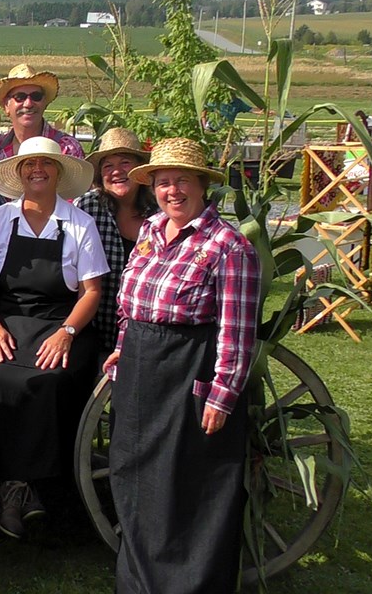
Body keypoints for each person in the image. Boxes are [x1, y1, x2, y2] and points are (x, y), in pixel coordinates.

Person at [105, 138, 261, 594]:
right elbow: (128, 305)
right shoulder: (151, 231)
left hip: (190, 371)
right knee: (133, 475)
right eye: (163, 182)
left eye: (181, 182)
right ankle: (137, 582)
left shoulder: (228, 246)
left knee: (186, 480)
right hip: (139, 369)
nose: (172, 191)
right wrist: (122, 345)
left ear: (202, 187)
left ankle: (188, 583)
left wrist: (223, 394)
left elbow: (237, 330)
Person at [0, 136, 107, 540]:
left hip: (62, 320)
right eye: (30, 164)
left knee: (51, 379)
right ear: (18, 172)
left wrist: (67, 333)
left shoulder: (79, 223)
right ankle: (8, 483)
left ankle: (46, 483)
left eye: (46, 165)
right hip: (7, 318)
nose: (37, 171)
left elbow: (93, 292)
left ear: (59, 172)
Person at [74, 127, 156, 359]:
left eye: (125, 163)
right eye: (108, 166)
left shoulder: (160, 214)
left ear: (140, 169)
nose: (117, 172)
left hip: (145, 336)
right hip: (93, 330)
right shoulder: (86, 208)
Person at [0, 64, 85, 177]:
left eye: (36, 96)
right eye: (20, 97)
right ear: (6, 105)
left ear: (45, 103)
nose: (28, 104)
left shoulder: (67, 149)